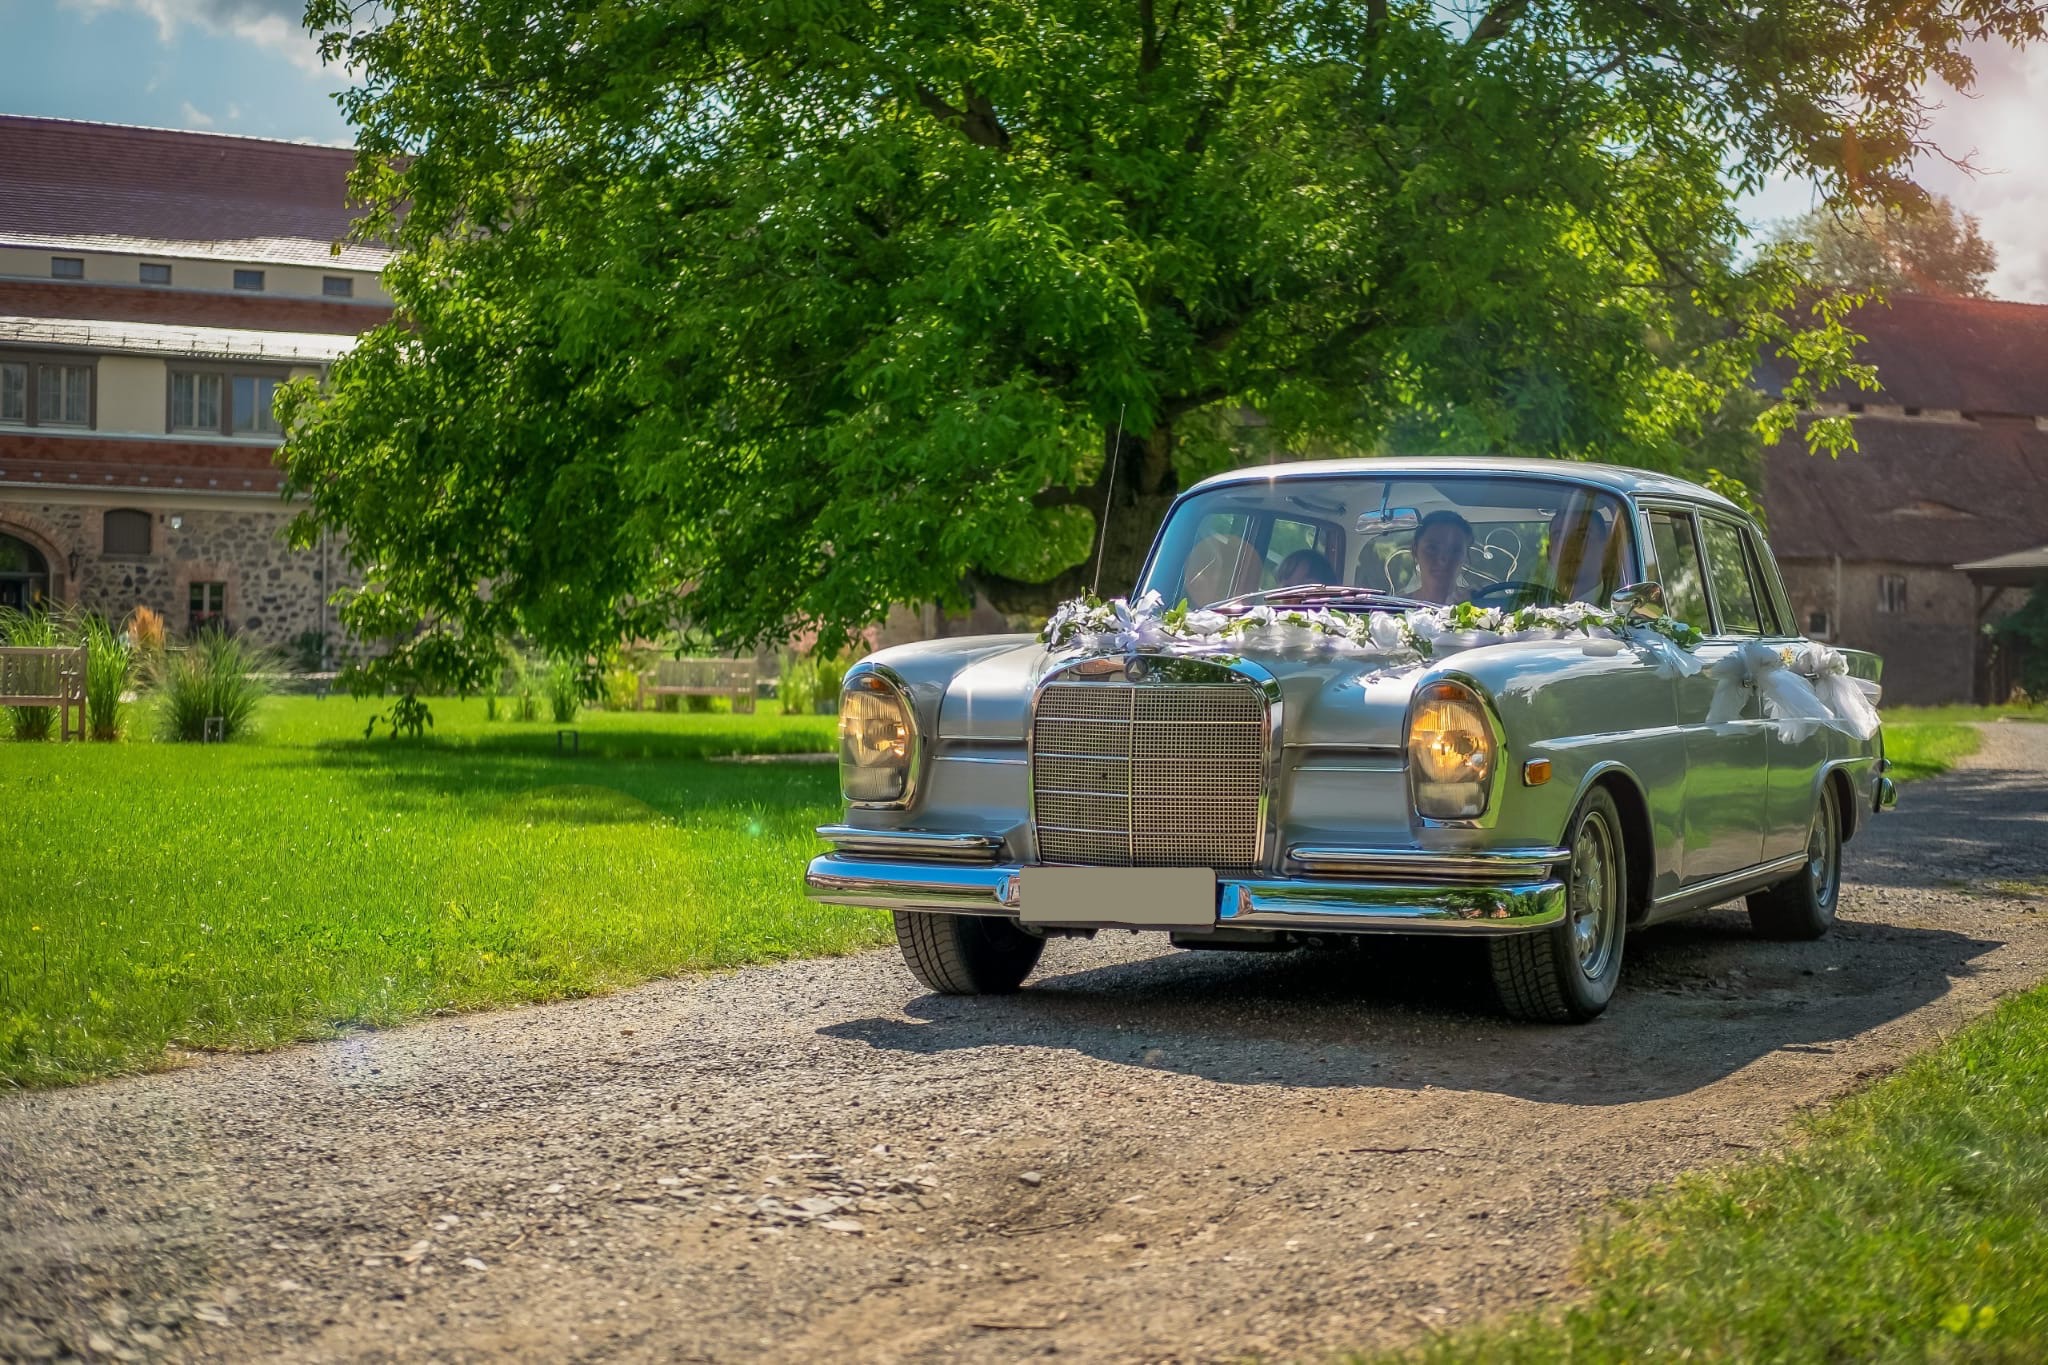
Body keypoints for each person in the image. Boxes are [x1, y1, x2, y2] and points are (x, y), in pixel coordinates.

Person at [1544, 505, 1620, 604]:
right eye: (1559, 536)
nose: (1569, 546)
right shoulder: (1530, 607)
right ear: (1549, 553)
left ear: (1605, 549)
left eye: (1582, 536)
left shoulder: (1626, 608)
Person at [1409, 510, 1474, 605]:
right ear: (1415, 550)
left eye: (1455, 550)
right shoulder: (1391, 612)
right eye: (1432, 548)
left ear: (1465, 556)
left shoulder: (1486, 613)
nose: (1443, 560)